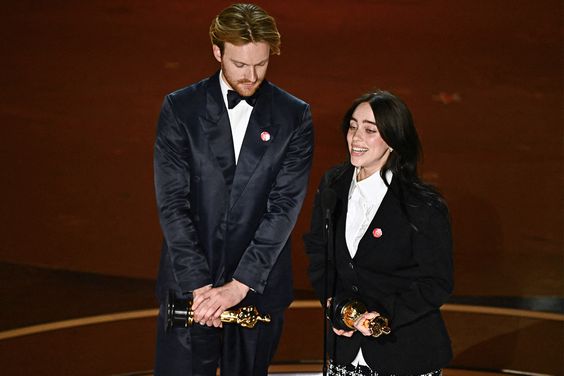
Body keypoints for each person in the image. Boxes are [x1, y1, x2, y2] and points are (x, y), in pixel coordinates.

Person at [152, 4, 313, 375]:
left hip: (255, 289)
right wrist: (200, 287)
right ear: (217, 52)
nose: (251, 75)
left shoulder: (294, 116)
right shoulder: (180, 109)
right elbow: (172, 203)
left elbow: (284, 207)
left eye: (261, 64)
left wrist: (239, 286)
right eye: (240, 64)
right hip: (190, 289)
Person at [304, 91, 453, 376]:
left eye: (370, 130)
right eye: (352, 126)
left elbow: (436, 283)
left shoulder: (423, 206)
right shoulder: (333, 184)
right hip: (345, 352)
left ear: (394, 140)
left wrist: (377, 317)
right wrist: (338, 307)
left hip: (405, 353)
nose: (356, 137)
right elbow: (317, 251)